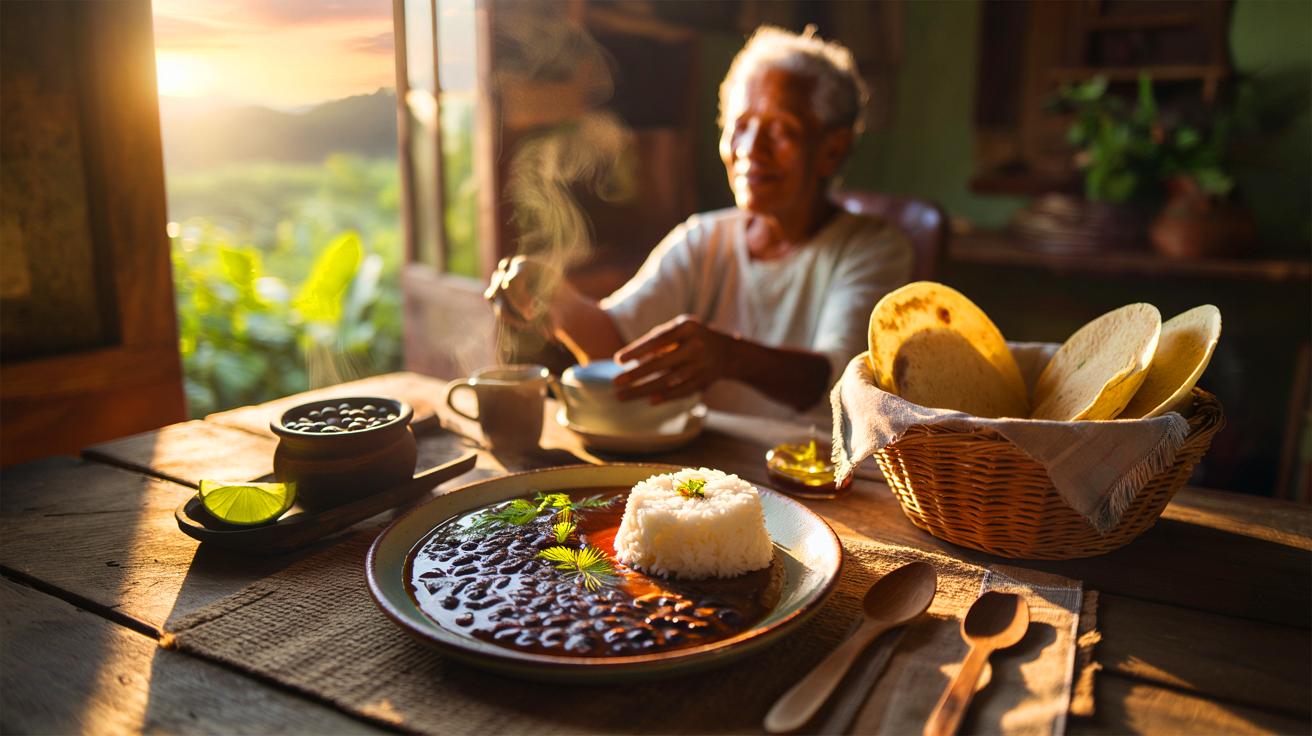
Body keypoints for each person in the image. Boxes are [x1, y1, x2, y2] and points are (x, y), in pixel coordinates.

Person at [488, 26, 912, 421]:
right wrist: (552, 296)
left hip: (815, 475)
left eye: (781, 130)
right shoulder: (702, 239)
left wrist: (731, 357)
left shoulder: (875, 249)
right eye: (740, 126)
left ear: (832, 150)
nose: (751, 149)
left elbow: (834, 379)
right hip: (714, 470)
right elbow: (616, 347)